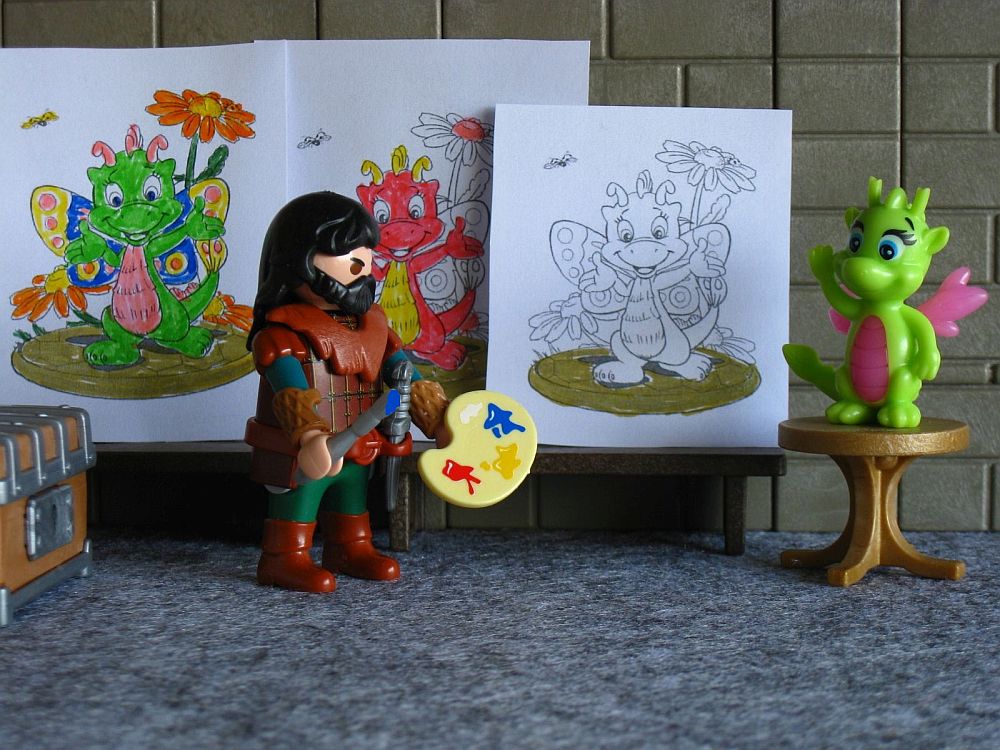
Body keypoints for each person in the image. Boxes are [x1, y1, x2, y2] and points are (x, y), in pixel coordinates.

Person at [244, 191, 448, 592]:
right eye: (344, 252)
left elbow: (405, 373)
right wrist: (309, 435)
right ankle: (283, 558)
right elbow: (290, 391)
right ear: (298, 259)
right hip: (306, 449)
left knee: (352, 498)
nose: (362, 264)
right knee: (299, 499)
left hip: (361, 442)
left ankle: (350, 549)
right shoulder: (282, 336)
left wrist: (438, 418)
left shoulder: (373, 326)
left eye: (366, 252)